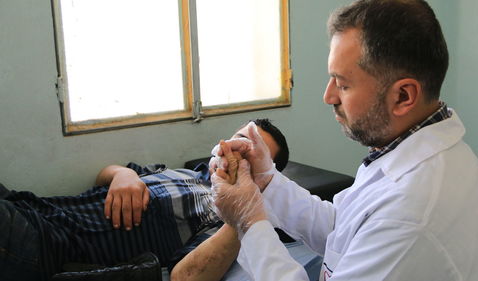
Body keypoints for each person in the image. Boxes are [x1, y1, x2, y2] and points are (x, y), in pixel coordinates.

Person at [210, 1, 478, 281]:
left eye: (343, 84)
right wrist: (267, 179)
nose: (328, 96)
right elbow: (344, 230)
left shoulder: (412, 214)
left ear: (403, 96)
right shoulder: (404, 151)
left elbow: (380, 227)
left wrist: (249, 222)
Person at [0, 118, 289, 281]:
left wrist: (242, 212)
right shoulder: (184, 171)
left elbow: (185, 277)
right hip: (30, 206)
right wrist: (123, 175)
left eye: (250, 153)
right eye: (238, 139)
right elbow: (103, 174)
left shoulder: (220, 221)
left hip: (42, 245)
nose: (235, 151)